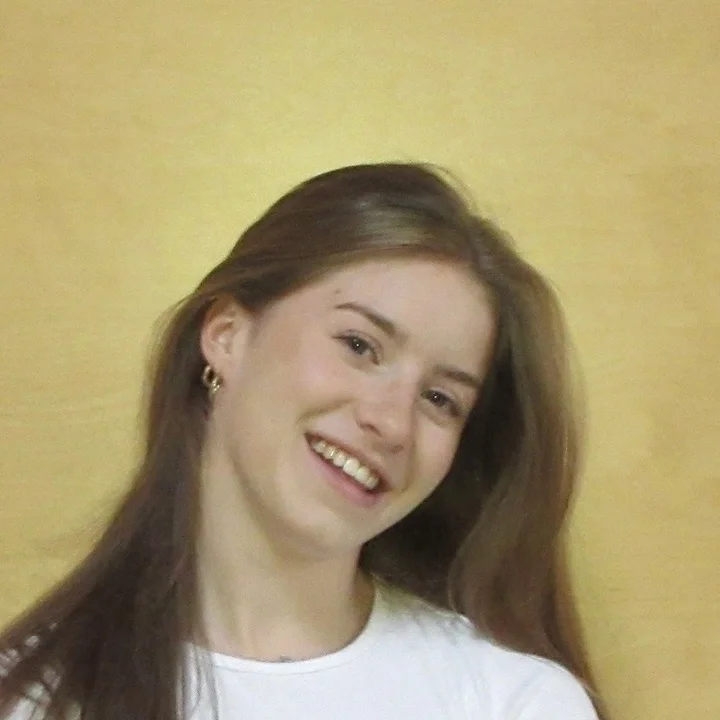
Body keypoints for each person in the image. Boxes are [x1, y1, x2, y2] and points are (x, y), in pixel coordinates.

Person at [0, 163, 608, 719]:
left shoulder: (514, 702)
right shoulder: (33, 697)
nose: (393, 423)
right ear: (228, 335)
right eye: (359, 346)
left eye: (440, 399)